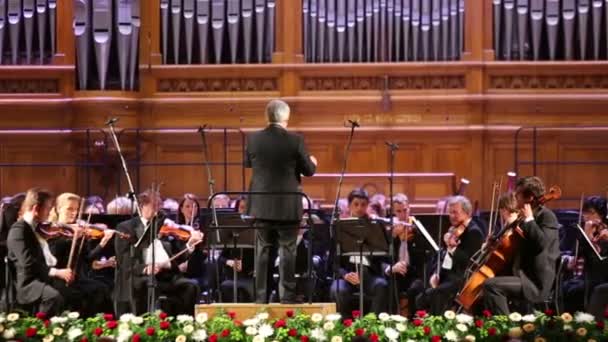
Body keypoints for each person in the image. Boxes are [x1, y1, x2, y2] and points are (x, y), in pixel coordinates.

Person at [245, 99, 317, 303]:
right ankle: (287, 297)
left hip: (261, 203)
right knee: (287, 250)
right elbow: (309, 171)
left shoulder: (253, 139)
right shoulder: (295, 140)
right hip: (287, 204)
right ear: (286, 117)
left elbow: (249, 163)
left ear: (266, 116)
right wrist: (312, 161)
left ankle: (260, 298)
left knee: (262, 250)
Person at [114, 190, 203, 315]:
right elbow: (123, 258)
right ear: (141, 206)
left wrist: (190, 244)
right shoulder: (126, 227)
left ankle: (184, 324)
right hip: (142, 276)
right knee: (151, 284)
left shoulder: (163, 226)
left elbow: (174, 257)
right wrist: (145, 268)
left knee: (191, 286)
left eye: (159, 205)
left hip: (168, 275)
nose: (158, 210)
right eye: (154, 205)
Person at [483, 176, 560, 314]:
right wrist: (495, 245)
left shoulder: (546, 217)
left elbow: (542, 244)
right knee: (483, 284)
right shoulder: (523, 219)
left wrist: (530, 220)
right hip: (520, 274)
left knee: (492, 286)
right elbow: (513, 247)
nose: (515, 198)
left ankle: (506, 329)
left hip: (534, 281)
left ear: (529, 197)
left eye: (517, 195)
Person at [6, 188, 73, 316]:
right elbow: (28, 262)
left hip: (40, 278)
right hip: (27, 283)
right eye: (48, 208)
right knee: (53, 297)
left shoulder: (34, 228)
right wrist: (56, 272)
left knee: (71, 292)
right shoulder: (18, 230)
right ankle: (39, 331)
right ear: (36, 208)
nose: (49, 213)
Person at [416, 195, 484, 315]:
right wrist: (437, 274)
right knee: (417, 289)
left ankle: (437, 328)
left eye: (455, 212)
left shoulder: (474, 232)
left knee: (434, 294)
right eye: (450, 212)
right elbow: (444, 258)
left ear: (467, 212)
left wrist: (453, 249)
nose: (451, 216)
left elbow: (469, 261)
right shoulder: (455, 229)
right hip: (448, 275)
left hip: (462, 279)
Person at [330, 189, 390, 316]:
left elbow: (384, 256)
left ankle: (372, 325)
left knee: (382, 285)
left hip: (369, 276)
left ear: (367, 206)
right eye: (356, 204)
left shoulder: (375, 227)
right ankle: (344, 327)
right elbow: (333, 262)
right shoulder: (339, 228)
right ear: (349, 205)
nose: (359, 208)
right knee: (337, 289)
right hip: (347, 276)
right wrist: (345, 275)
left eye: (363, 205)